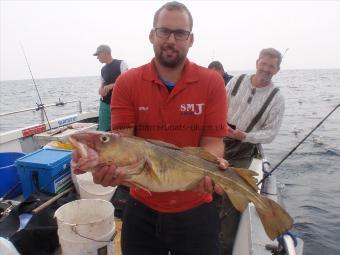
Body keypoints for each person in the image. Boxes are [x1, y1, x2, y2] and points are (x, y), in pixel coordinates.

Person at [74, 2, 229, 255]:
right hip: (142, 208)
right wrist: (104, 167)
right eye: (163, 31)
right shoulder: (127, 82)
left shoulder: (212, 82)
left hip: (197, 208)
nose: (171, 39)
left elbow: (213, 140)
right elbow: (122, 142)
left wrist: (213, 164)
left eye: (180, 33)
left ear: (191, 40)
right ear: (151, 35)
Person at [216, 48, 285, 255]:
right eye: (263, 64)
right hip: (217, 142)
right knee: (208, 190)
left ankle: (224, 248)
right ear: (257, 62)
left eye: (271, 66)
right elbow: (218, 106)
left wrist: (244, 136)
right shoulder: (236, 81)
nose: (266, 69)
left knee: (232, 201)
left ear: (277, 69)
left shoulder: (277, 98)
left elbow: (271, 134)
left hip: (243, 151)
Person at [93, 44, 128, 131]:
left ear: (105, 53)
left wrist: (111, 86)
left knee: (119, 131)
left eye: (98, 55)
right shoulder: (103, 69)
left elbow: (126, 81)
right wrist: (101, 90)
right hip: (105, 104)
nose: (97, 58)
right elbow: (102, 84)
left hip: (119, 104)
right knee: (103, 131)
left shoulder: (121, 64)